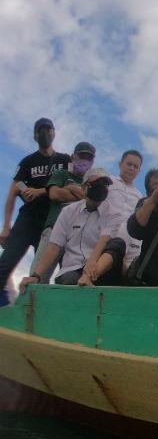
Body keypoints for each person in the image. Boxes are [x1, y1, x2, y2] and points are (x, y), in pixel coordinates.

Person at [0, 118, 71, 306]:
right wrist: (6, 227)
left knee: (63, 270)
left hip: (54, 223)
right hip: (28, 220)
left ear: (54, 133)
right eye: (40, 131)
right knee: (5, 264)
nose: (45, 134)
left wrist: (42, 191)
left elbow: (74, 188)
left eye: (48, 130)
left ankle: (51, 311)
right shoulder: (28, 162)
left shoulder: (65, 160)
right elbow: (12, 193)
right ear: (34, 136)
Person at [19, 168, 126, 289]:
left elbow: (104, 239)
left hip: (99, 270)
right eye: (96, 184)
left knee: (118, 243)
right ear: (84, 187)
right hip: (72, 271)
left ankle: (87, 279)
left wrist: (91, 266)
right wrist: (36, 276)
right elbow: (54, 247)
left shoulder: (113, 213)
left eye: (105, 184)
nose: (101, 187)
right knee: (70, 282)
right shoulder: (68, 212)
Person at [31, 141, 96, 283]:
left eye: (89, 158)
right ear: (73, 157)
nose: (85, 160)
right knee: (38, 276)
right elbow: (54, 194)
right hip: (54, 228)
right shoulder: (62, 174)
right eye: (81, 156)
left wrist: (72, 188)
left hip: (77, 236)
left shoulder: (91, 182)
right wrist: (81, 195)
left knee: (69, 279)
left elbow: (93, 201)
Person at [107, 150, 145, 270]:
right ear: (120, 164)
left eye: (136, 166)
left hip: (129, 243)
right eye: (129, 164)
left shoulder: (140, 196)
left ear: (139, 170)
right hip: (104, 237)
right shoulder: (108, 182)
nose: (132, 168)